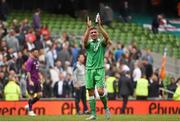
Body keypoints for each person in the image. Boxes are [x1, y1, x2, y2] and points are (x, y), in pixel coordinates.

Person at [83, 16, 111, 120]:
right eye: (92, 33)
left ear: (97, 33)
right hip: (89, 70)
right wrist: (88, 28)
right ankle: (94, 114)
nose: (93, 34)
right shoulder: (88, 44)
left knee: (99, 91)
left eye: (95, 32)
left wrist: (99, 25)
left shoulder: (101, 43)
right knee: (90, 92)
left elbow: (107, 38)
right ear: (90, 34)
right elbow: (84, 41)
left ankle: (106, 108)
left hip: (99, 69)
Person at [24, 48, 43, 116]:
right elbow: (28, 72)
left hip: (37, 80)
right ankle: (30, 111)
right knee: (31, 96)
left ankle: (29, 104)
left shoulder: (37, 60)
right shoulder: (30, 61)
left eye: (37, 52)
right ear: (32, 53)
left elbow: (37, 70)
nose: (37, 53)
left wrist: (40, 76)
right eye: (35, 52)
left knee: (40, 94)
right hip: (31, 80)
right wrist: (30, 80)